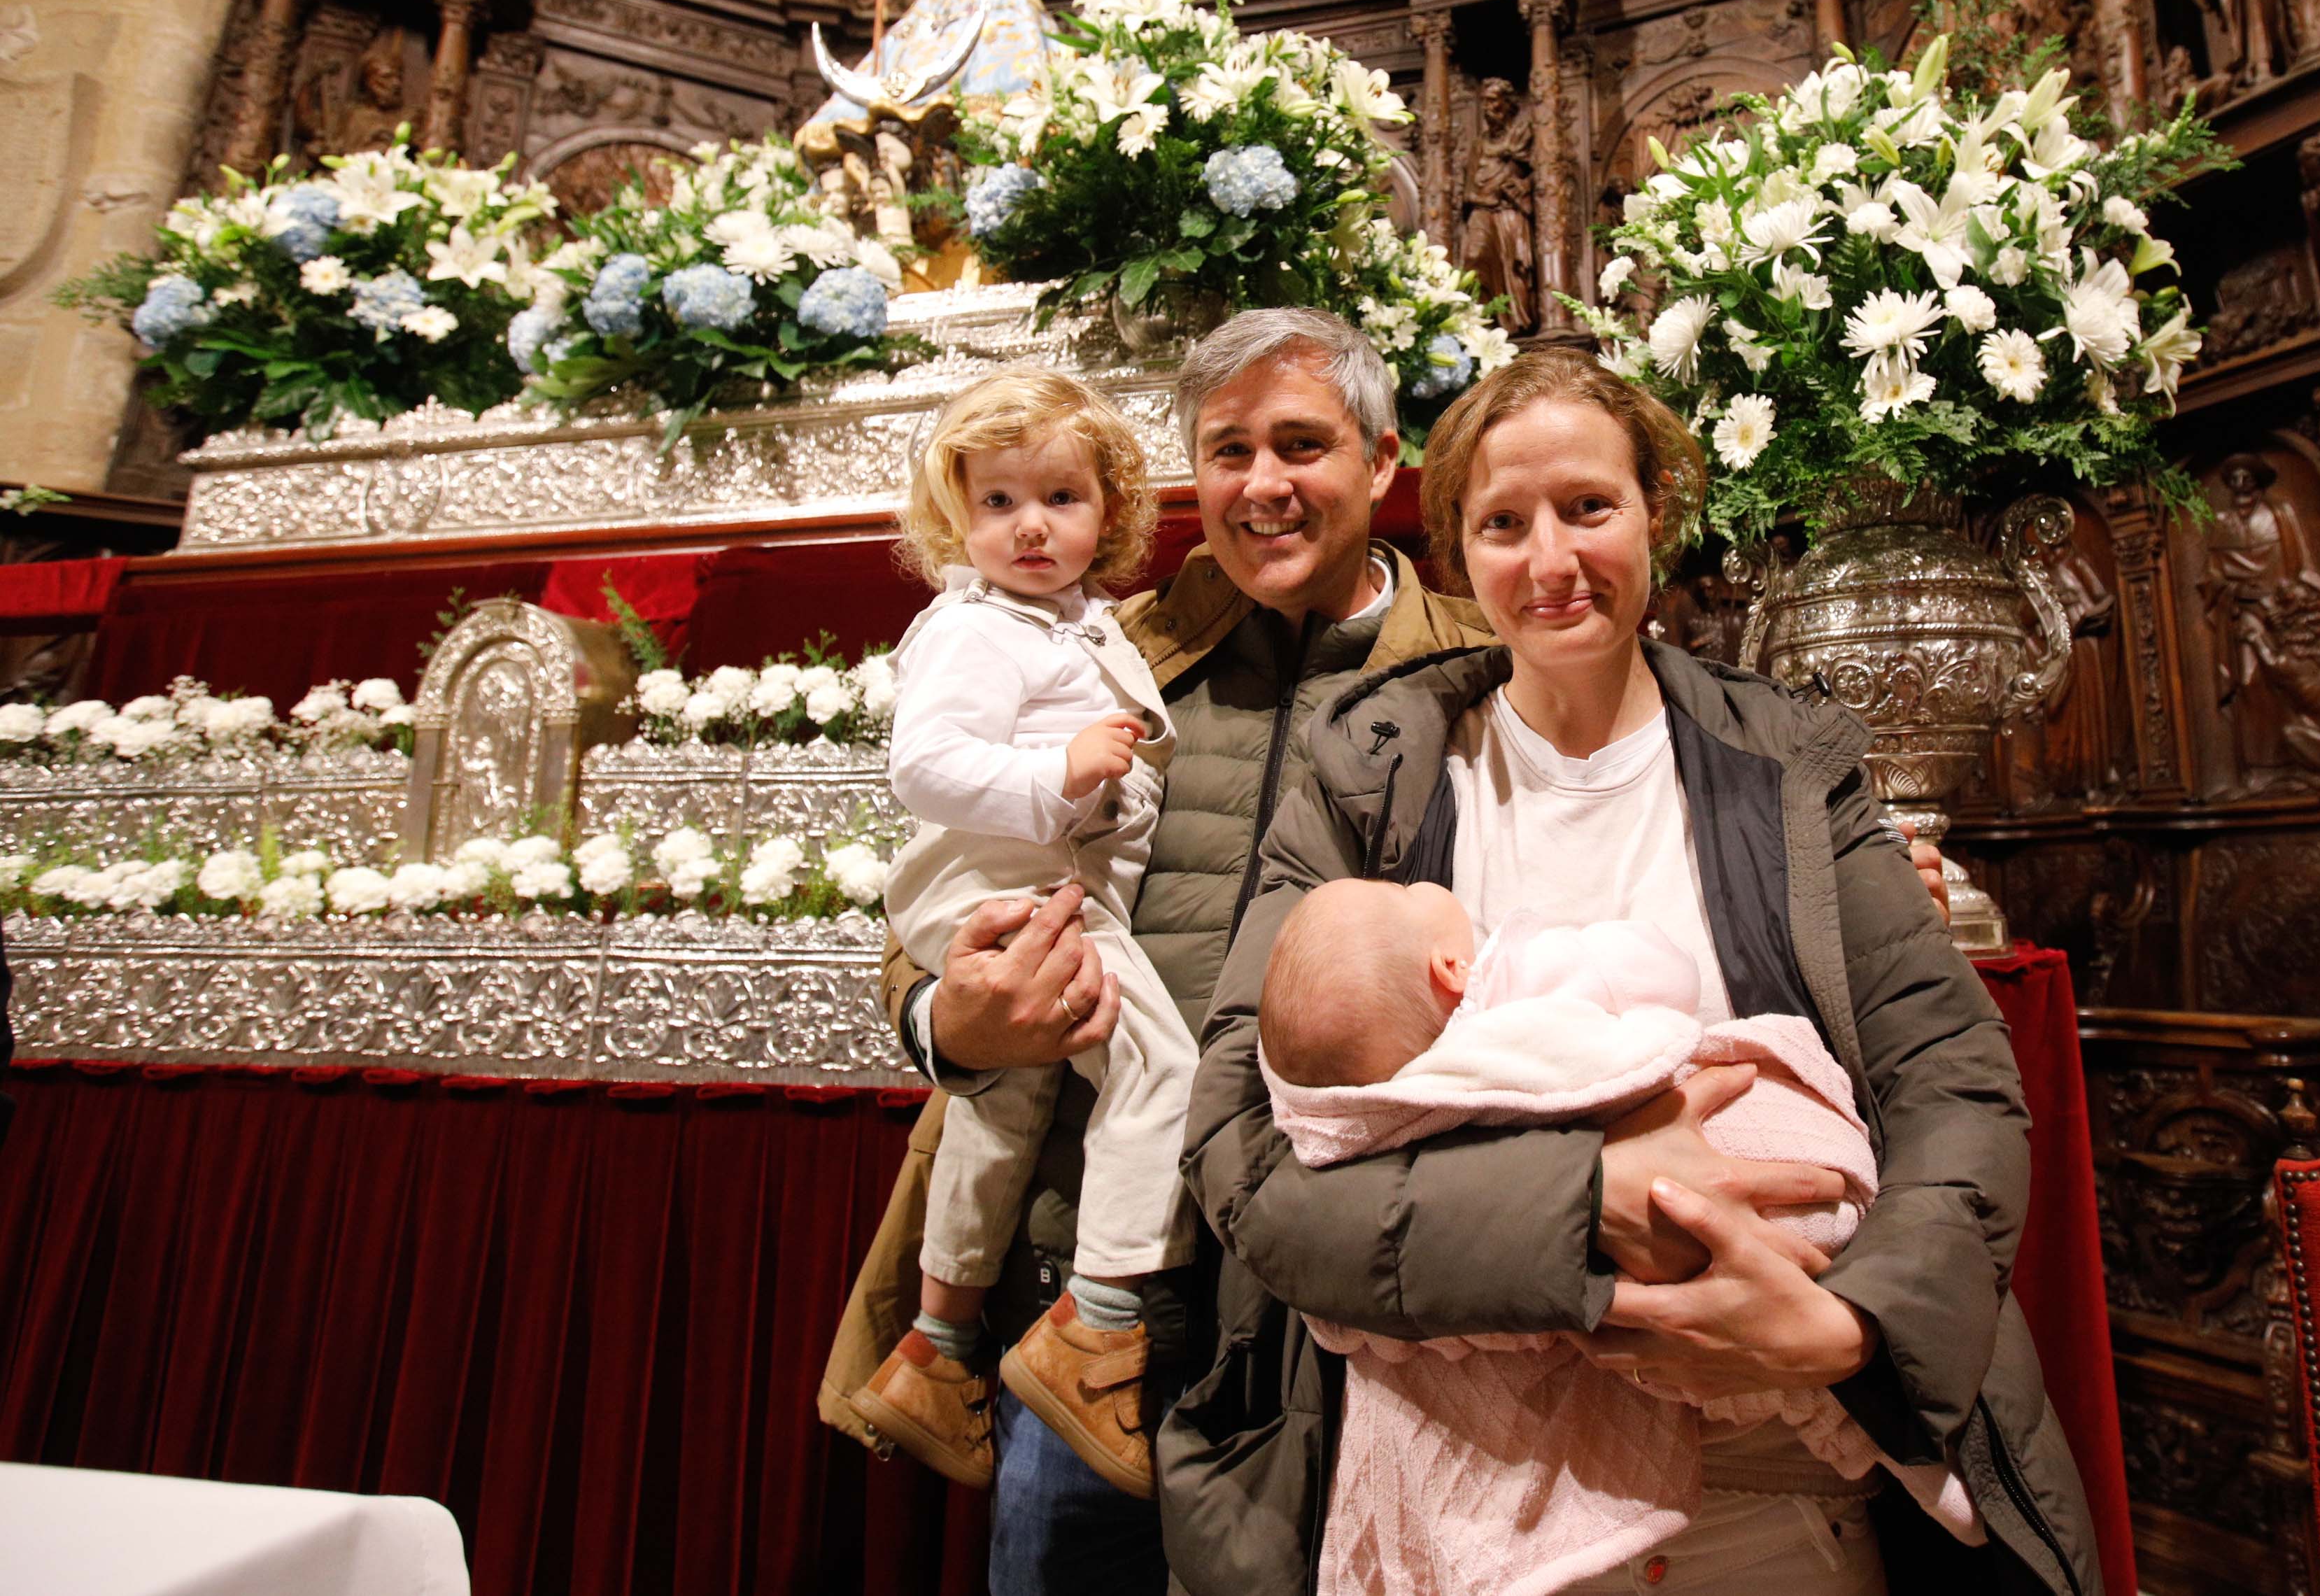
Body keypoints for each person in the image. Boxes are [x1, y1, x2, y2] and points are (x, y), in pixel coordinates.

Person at [1171, 352, 2099, 1595]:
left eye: (1588, 508)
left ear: (1657, 509)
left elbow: (1951, 1080)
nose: (1549, 559)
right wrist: (1578, 1207)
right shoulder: (1367, 774)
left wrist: (1851, 1324)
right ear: (1452, 548)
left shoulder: (1783, 757)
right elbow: (1243, 1147)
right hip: (1474, 1490)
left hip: (1784, 1488)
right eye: (1503, 522)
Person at [821, 309, 1492, 1595]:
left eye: (1301, 443)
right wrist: (948, 1021)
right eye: (1227, 449)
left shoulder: (1472, 675)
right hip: (1092, 1293)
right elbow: (945, 898)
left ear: (1382, 457)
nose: (1263, 484)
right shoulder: (1117, 656)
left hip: (1335, 1287)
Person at [1256, 880, 1980, 1595]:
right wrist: (1589, 1196)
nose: (1426, 885)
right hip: (1715, 1281)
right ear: (1450, 972)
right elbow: (1256, 1191)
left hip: (1777, 1502)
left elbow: (1957, 1090)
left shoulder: (1397, 1089)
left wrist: (1849, 1329)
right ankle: (1901, 1443)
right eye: (1414, 891)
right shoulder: (1514, 983)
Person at [851, 369, 1192, 1499]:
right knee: (1159, 1064)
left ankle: (939, 1347)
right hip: (1024, 889)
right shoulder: (972, 625)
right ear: (958, 511)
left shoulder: (1076, 617)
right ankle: (1094, 1328)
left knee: (1007, 1097)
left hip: (1039, 882)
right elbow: (922, 765)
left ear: (1112, 507)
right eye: (998, 501)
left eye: (1059, 495)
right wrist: (1057, 772)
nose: (1030, 524)